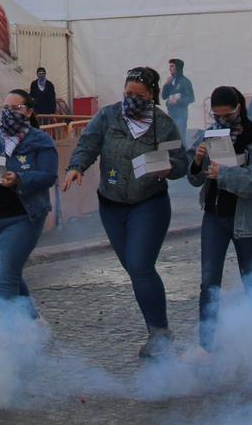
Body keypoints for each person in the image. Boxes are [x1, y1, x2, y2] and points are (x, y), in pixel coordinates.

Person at [63, 66, 189, 358]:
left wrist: (171, 167)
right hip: (112, 203)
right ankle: (157, 330)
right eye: (127, 93)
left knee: (141, 264)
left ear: (152, 95)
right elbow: (89, 143)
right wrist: (75, 167)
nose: (131, 99)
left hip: (149, 202)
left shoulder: (163, 124)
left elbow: (179, 161)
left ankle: (159, 334)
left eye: (138, 95)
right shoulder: (108, 116)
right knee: (133, 268)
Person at [187, 85, 252, 354]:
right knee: (208, 281)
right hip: (214, 215)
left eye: (228, 115)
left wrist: (225, 174)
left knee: (251, 279)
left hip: (247, 217)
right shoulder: (209, 134)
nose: (222, 120)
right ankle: (207, 344)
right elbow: (193, 178)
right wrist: (199, 160)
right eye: (217, 115)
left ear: (238, 109)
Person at [0, 89, 59, 317]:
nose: (9, 113)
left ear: (29, 111)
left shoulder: (41, 140)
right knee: (7, 271)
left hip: (23, 216)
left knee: (4, 277)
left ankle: (8, 337)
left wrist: (19, 178)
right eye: (6, 108)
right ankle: (31, 321)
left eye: (16, 108)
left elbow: (48, 176)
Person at [162, 58, 196, 140]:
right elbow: (164, 96)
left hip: (181, 115)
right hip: (170, 114)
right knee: (171, 138)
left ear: (178, 67)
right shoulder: (171, 81)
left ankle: (183, 152)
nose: (169, 68)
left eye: (172, 66)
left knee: (180, 137)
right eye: (169, 66)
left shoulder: (185, 82)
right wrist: (166, 85)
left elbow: (191, 98)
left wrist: (178, 101)